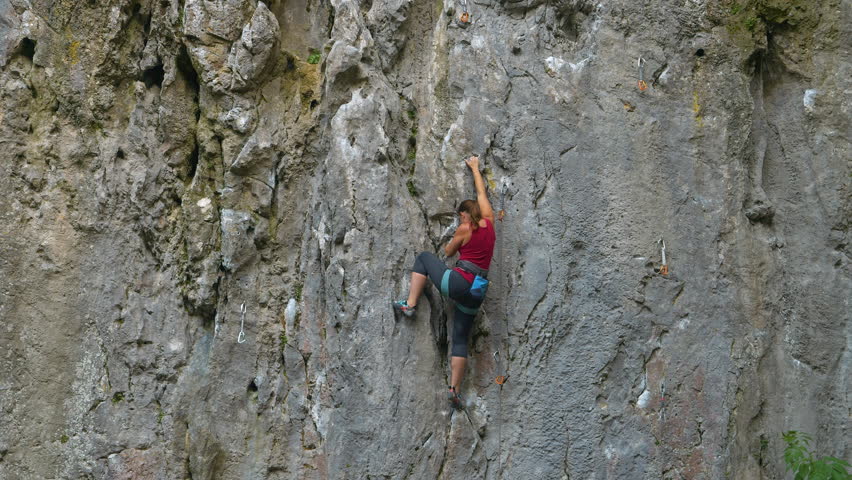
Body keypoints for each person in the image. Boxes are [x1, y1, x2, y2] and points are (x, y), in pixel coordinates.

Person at [393, 155, 496, 410]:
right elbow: (482, 193)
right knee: (460, 338)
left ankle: (410, 303)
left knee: (424, 259)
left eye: (461, 216)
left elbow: (449, 253)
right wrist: (475, 168)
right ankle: (455, 390)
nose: (460, 220)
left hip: (460, 282)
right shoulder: (490, 222)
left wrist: (455, 238)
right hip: (477, 291)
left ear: (465, 215)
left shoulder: (466, 228)